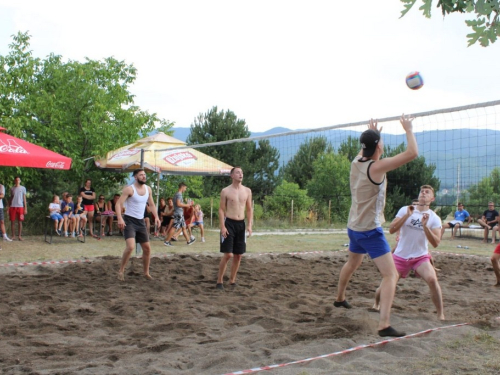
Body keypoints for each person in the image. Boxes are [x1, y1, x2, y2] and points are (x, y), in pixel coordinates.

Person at [334, 115, 418, 338]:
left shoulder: (356, 161)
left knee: (353, 262)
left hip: (354, 226)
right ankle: (384, 325)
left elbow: (367, 148)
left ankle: (340, 298)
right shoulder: (377, 168)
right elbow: (412, 154)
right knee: (391, 275)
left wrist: (372, 134)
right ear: (379, 145)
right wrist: (408, 129)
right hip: (370, 230)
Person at [373, 185, 445, 320]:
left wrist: (425, 226)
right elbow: (392, 229)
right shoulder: (405, 210)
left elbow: (436, 243)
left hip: (420, 257)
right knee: (387, 284)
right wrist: (407, 215)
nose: (423, 193)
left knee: (433, 280)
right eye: (421, 191)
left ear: (432, 198)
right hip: (400, 256)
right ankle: (376, 303)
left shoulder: (434, 218)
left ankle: (440, 314)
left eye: (427, 192)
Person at [117, 169, 161, 281]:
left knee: (147, 249)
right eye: (141, 175)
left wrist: (156, 217)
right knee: (131, 247)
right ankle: (121, 270)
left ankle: (146, 273)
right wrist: (120, 218)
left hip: (141, 221)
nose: (144, 176)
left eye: (145, 175)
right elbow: (118, 204)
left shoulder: (148, 189)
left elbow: (151, 204)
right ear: (135, 177)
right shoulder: (129, 189)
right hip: (129, 221)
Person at [216, 166, 253, 290]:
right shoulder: (225, 191)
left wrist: (249, 225)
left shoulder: (247, 191)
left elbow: (249, 209)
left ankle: (232, 280)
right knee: (228, 255)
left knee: (238, 255)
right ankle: (219, 281)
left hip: (241, 224)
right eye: (237, 172)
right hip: (229, 223)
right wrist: (222, 227)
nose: (240, 174)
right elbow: (221, 209)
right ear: (232, 176)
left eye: (242, 172)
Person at [9, 176, 27, 241]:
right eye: (16, 180)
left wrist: (25, 208)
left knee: (20, 221)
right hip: (13, 206)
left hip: (20, 206)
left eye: (18, 180)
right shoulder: (12, 188)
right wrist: (8, 207)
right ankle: (13, 235)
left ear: (20, 181)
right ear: (14, 181)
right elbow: (11, 198)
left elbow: (24, 198)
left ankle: (19, 236)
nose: (17, 181)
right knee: (12, 221)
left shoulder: (23, 188)